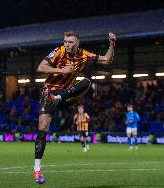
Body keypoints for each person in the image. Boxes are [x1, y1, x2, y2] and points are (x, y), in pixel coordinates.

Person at [33, 31, 116, 184]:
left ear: (77, 43)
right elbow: (41, 67)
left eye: (71, 42)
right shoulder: (58, 51)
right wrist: (61, 70)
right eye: (65, 41)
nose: (67, 44)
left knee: (86, 82)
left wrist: (112, 44)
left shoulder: (84, 54)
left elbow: (106, 60)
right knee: (43, 128)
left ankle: (59, 98)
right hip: (49, 91)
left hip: (65, 94)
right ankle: (37, 170)